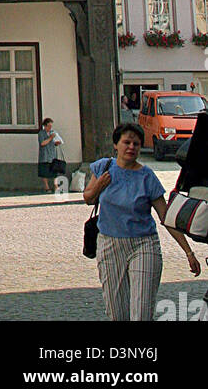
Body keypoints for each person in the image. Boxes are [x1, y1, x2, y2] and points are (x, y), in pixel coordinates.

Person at [84, 122, 201, 321]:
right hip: (110, 245)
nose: (131, 147)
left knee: (142, 313)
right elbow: (88, 198)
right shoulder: (103, 167)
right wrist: (99, 186)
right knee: (117, 312)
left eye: (136, 144)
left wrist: (188, 252)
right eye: (126, 142)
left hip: (143, 245)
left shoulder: (147, 176)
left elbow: (166, 217)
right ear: (116, 145)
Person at [37, 117, 64, 192]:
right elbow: (42, 143)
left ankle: (56, 186)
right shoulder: (41, 133)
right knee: (44, 171)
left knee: (54, 171)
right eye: (48, 126)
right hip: (45, 155)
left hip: (52, 154)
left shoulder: (53, 132)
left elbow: (54, 142)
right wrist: (50, 138)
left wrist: (57, 142)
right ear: (45, 126)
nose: (50, 128)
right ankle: (47, 187)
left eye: (51, 126)